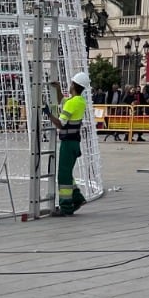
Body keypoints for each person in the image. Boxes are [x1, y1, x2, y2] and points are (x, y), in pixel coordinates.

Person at [45, 72, 90, 216]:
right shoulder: (79, 101)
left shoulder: (73, 102)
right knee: (68, 173)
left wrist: (48, 113)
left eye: (71, 83)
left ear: (73, 85)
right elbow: (63, 101)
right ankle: (77, 198)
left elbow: (60, 124)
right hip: (74, 142)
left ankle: (66, 207)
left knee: (63, 176)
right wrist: (57, 89)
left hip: (68, 142)